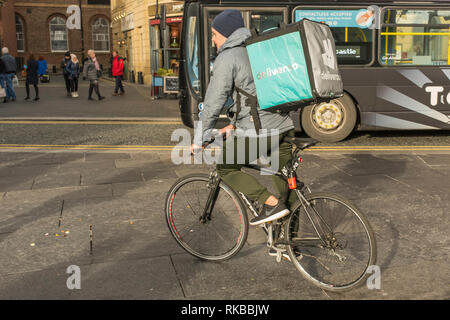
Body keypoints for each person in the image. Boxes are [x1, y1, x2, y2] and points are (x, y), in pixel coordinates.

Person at [191, 10, 296, 226]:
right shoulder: (257, 49)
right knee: (286, 181)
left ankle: (270, 203)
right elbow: (254, 93)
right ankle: (291, 243)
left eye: (214, 34)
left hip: (260, 130)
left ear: (226, 34)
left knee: (226, 167)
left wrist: (199, 138)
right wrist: (233, 124)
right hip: (284, 125)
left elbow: (213, 102)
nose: (212, 39)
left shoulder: (228, 57)